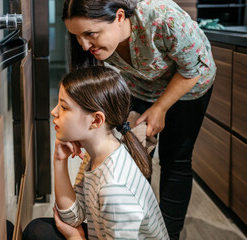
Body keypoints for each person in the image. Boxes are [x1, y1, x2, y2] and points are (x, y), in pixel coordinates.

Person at [61, 0, 216, 239]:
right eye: (76, 36)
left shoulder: (164, 18)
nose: (83, 45)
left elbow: (192, 69)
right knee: (132, 154)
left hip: (190, 86)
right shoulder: (92, 42)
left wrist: (161, 107)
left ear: (120, 16)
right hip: (142, 88)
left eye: (90, 34)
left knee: (176, 159)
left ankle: (170, 233)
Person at [23, 66, 169, 239]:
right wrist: (59, 160)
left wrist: (75, 238)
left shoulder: (115, 189)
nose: (53, 111)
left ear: (96, 120)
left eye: (63, 107)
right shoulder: (100, 157)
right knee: (37, 229)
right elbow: (72, 217)